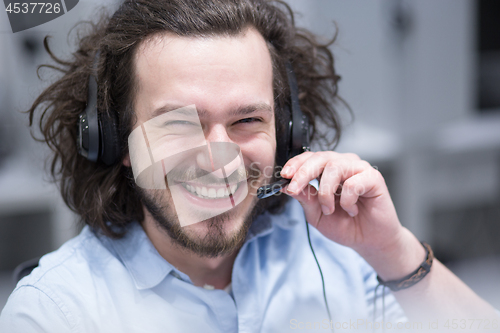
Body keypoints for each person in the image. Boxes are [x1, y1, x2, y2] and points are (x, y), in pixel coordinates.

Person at [1, 0, 498, 332]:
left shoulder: (339, 258)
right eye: (179, 124)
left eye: (245, 120)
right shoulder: (55, 313)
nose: (219, 157)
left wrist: (391, 250)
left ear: (286, 134)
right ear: (118, 141)